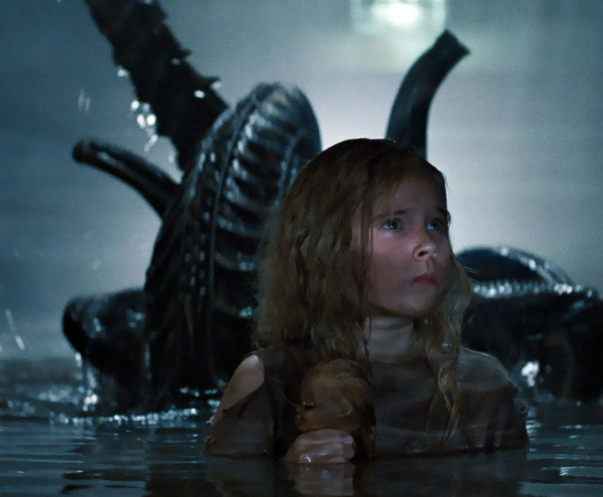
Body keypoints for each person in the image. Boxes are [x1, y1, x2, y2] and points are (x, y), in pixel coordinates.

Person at [205, 138, 528, 463]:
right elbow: (220, 483)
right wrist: (290, 474)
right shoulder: (268, 381)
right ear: (327, 244)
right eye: (394, 224)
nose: (428, 245)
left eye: (436, 224)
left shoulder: (483, 388)